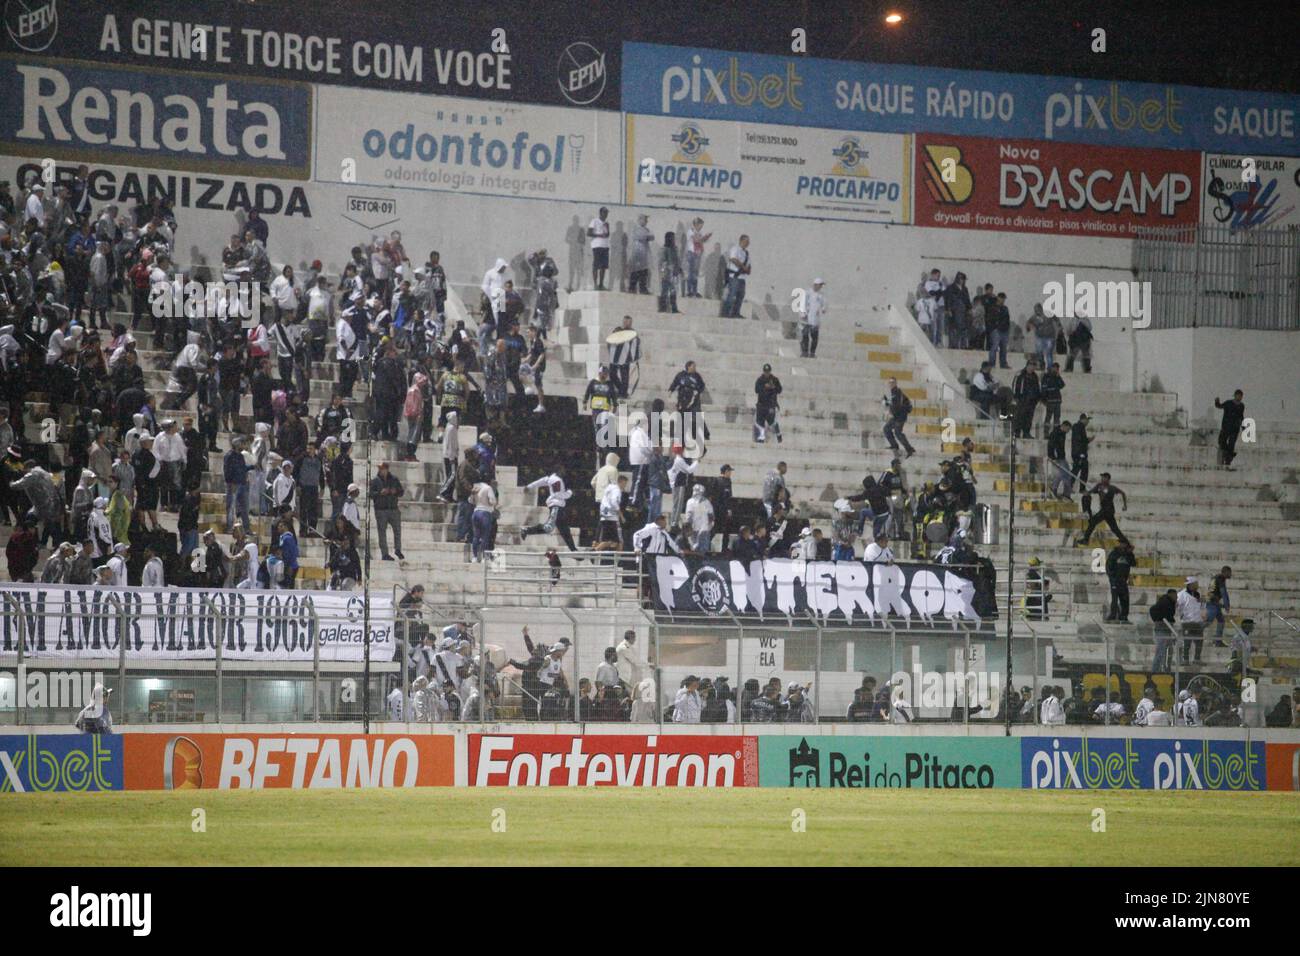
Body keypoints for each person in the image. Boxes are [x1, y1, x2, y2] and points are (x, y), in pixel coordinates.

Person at [520, 473, 577, 552]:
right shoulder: (556, 480)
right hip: (556, 506)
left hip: (558, 507)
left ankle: (573, 550)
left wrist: (529, 486)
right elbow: (558, 494)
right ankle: (527, 530)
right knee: (549, 527)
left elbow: (541, 481)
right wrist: (569, 493)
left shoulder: (551, 478)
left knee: (565, 530)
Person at [1075, 472, 1129, 547]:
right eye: (1102, 477)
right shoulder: (1099, 486)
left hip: (1108, 509)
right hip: (1105, 510)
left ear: (1107, 479)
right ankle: (1125, 542)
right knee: (1114, 528)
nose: (1102, 479)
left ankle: (1086, 539)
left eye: (1104, 477)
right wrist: (1086, 494)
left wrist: (1125, 505)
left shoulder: (1112, 488)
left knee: (1093, 522)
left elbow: (1123, 493)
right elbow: (1090, 492)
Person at [370, 461, 405, 560]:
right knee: (382, 533)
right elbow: (371, 494)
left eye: (383, 468)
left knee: (397, 530)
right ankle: (384, 553)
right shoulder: (375, 481)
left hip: (393, 508)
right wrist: (380, 493)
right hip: (381, 510)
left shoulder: (394, 479)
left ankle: (398, 549)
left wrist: (395, 491)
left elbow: (401, 492)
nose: (381, 470)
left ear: (387, 469)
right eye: (380, 469)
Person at [606, 315, 640, 400]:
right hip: (615, 357)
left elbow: (636, 343)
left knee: (624, 376)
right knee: (612, 374)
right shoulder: (618, 330)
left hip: (626, 358)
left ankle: (623, 393)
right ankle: (621, 390)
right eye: (625, 322)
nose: (626, 324)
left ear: (631, 323)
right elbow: (611, 339)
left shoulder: (633, 333)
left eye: (628, 322)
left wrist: (633, 357)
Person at [1177, 577, 1207, 665]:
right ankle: (1185, 660)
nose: (1197, 586)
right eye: (1195, 584)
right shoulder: (1181, 594)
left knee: (1199, 642)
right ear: (1190, 585)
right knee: (1186, 642)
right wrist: (1181, 613)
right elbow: (1177, 606)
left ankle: (1197, 659)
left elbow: (1203, 606)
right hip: (1187, 622)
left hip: (1198, 622)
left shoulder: (1199, 594)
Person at [883, 377, 915, 457]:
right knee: (887, 429)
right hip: (897, 416)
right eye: (890, 382)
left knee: (897, 432)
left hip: (900, 416)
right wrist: (888, 404)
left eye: (893, 382)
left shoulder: (897, 392)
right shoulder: (894, 392)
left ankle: (909, 449)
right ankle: (895, 446)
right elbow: (894, 404)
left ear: (896, 383)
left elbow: (897, 406)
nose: (891, 384)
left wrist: (889, 409)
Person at [720, 235, 750, 318]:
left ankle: (735, 313)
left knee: (740, 295)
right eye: (746, 241)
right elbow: (733, 259)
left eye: (748, 242)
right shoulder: (735, 249)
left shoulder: (746, 253)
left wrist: (748, 270)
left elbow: (748, 264)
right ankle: (725, 313)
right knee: (731, 295)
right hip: (734, 276)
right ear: (741, 240)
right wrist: (742, 267)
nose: (748, 243)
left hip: (742, 278)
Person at [1105, 541, 1135, 623]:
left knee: (1125, 599)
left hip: (1123, 581)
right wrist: (1112, 579)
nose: (1124, 545)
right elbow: (1108, 567)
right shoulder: (1114, 553)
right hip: (1115, 580)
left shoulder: (1128, 554)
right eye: (1123, 543)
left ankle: (1124, 616)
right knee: (1114, 599)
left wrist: (1130, 553)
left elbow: (1133, 563)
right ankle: (1113, 615)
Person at [1214, 390, 1245, 469]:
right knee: (1221, 442)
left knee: (1231, 445)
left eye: (1240, 396)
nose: (1239, 397)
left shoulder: (1241, 406)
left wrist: (1243, 426)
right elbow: (1219, 406)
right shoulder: (1228, 403)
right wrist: (1217, 402)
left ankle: (1228, 461)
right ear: (1234, 395)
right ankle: (1228, 454)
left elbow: (1241, 416)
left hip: (1235, 428)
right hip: (1226, 427)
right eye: (1238, 395)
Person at [1149, 588, 1178, 671]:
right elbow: (1153, 610)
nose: (1177, 598)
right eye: (1175, 596)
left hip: (1166, 629)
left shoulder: (1168, 602)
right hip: (1163, 629)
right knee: (1161, 651)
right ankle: (1156, 670)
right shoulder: (1166, 602)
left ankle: (1164, 669)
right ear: (1171, 594)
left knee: (1167, 651)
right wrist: (1160, 620)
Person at [1011, 356, 1039, 440]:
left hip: (1031, 401)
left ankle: (1026, 433)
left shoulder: (1035, 376)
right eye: (1031, 365)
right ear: (1027, 365)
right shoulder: (1020, 374)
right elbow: (1015, 385)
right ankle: (1016, 432)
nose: (1033, 367)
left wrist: (1037, 399)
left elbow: (1037, 388)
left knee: (1029, 417)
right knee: (1019, 417)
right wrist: (1016, 397)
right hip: (1021, 399)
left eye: (1034, 366)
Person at [753, 363, 783, 443]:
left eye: (768, 371)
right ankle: (761, 439)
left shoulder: (774, 379)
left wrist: (773, 387)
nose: (767, 373)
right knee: (760, 423)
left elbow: (780, 390)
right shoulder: (760, 380)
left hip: (771, 405)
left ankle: (779, 435)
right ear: (763, 371)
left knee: (772, 422)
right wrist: (764, 387)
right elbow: (756, 390)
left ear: (770, 371)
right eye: (765, 371)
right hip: (761, 405)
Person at [799, 278, 827, 357]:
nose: (821, 287)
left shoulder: (821, 295)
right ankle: (804, 352)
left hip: (815, 320)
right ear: (815, 285)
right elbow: (802, 304)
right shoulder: (807, 293)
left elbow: (824, 305)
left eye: (821, 285)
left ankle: (812, 352)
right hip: (806, 319)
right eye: (820, 285)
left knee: (814, 337)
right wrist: (803, 314)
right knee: (805, 336)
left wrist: (823, 309)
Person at [683, 484, 714, 553]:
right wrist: (689, 527)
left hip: (704, 530)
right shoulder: (690, 502)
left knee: (703, 549)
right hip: (694, 530)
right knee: (694, 549)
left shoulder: (706, 502)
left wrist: (710, 525)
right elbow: (688, 516)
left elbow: (711, 515)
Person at [684, 218, 711, 297]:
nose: (701, 227)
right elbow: (696, 240)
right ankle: (689, 290)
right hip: (691, 253)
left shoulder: (700, 232)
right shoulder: (690, 231)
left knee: (695, 273)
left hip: (697, 253)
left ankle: (695, 291)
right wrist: (704, 237)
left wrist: (706, 237)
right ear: (696, 224)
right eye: (700, 225)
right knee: (691, 272)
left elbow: (702, 241)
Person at [985, 291, 1011, 369]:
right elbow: (990, 319)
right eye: (1001, 298)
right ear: (998, 298)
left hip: (1004, 331)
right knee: (994, 347)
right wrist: (994, 328)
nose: (1003, 300)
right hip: (996, 330)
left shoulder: (1005, 308)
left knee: (1003, 348)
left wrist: (1007, 329)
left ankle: (1003, 364)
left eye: (1004, 298)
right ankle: (992, 364)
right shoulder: (993, 308)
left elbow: (1007, 319)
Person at [657, 231, 681, 313]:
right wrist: (664, 271)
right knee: (664, 291)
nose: (674, 239)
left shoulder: (675, 249)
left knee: (673, 291)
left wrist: (679, 269)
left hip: (673, 274)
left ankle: (674, 308)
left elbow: (677, 261)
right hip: (666, 274)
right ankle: (663, 308)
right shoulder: (664, 249)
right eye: (673, 238)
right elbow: (662, 262)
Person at [1207, 566, 1232, 641]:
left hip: (1214, 602)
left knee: (1221, 621)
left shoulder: (1217, 577)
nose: (1231, 574)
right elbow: (1223, 593)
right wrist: (1227, 605)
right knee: (1208, 622)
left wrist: (1226, 603)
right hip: (1212, 603)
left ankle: (1218, 640)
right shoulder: (1221, 578)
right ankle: (1194, 631)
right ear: (1225, 572)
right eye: (1230, 572)